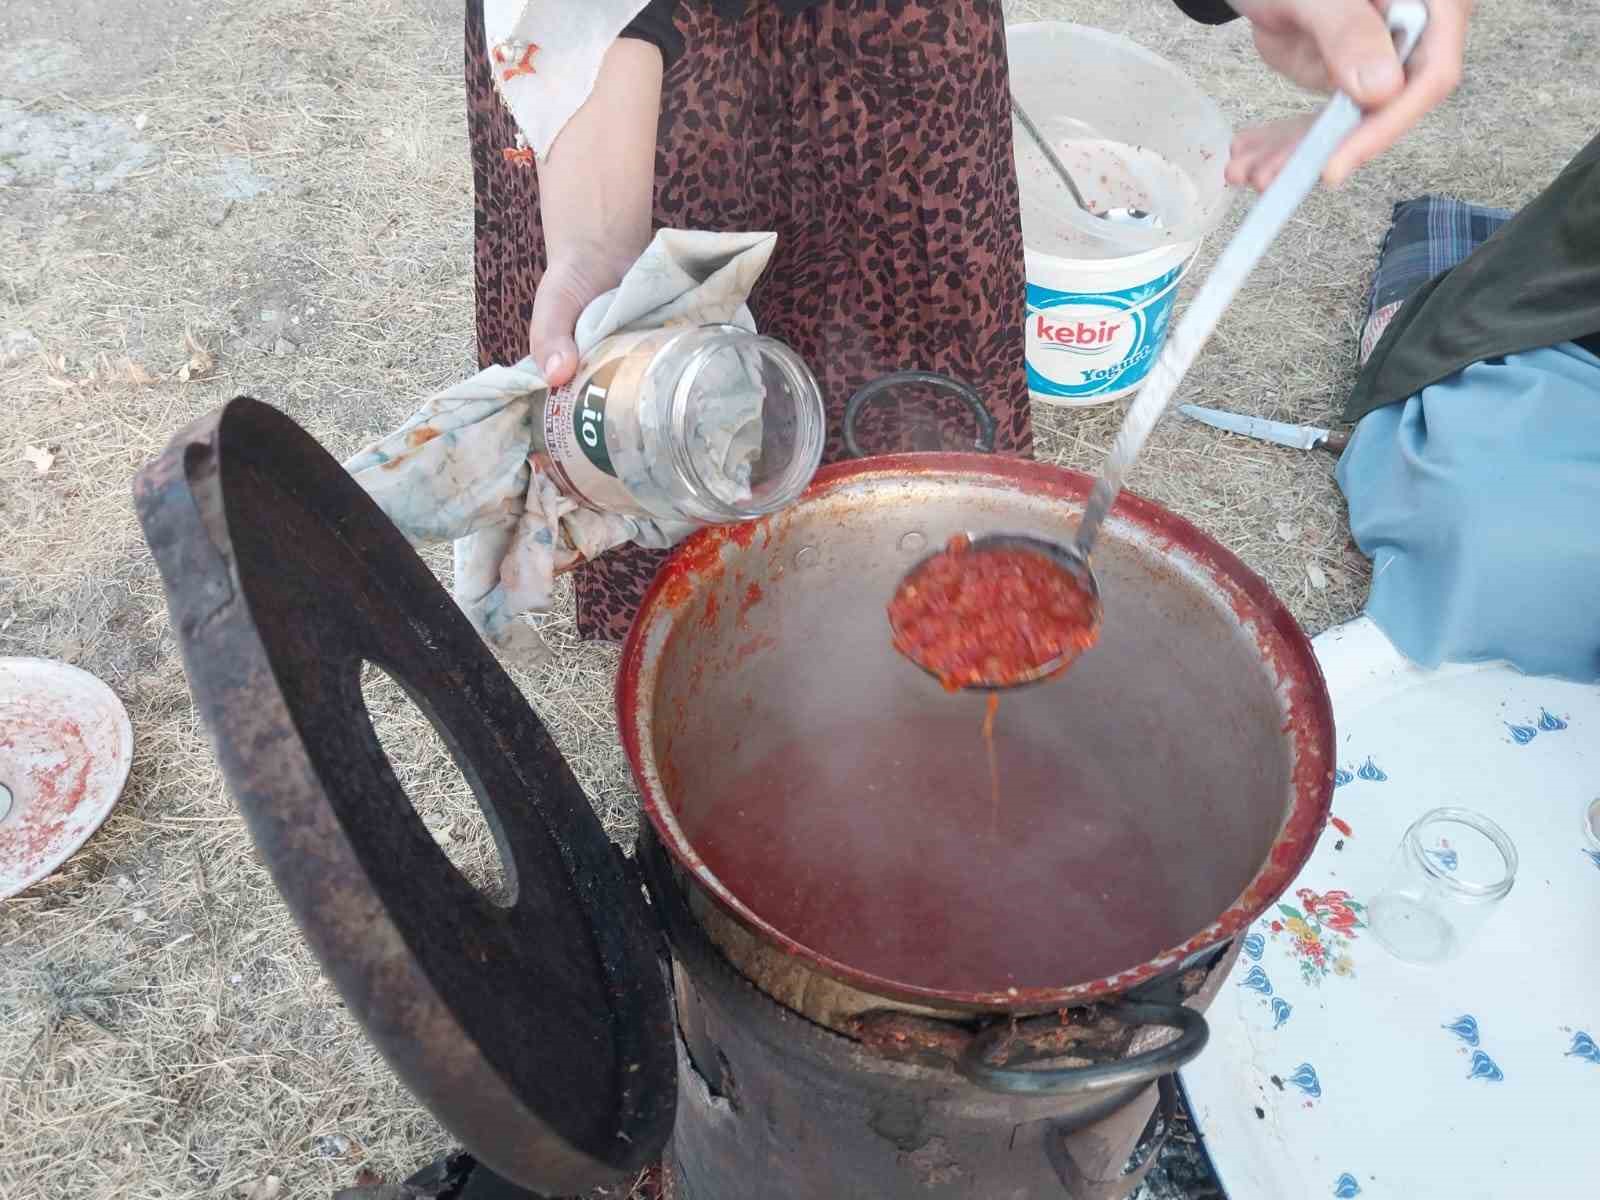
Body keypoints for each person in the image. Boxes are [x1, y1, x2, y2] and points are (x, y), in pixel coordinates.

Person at [466, 0, 1472, 642]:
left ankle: (864, 614)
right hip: (632, 85)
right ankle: (702, 635)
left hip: (892, 39)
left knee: (911, 362)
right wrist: (603, 251)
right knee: (657, 419)